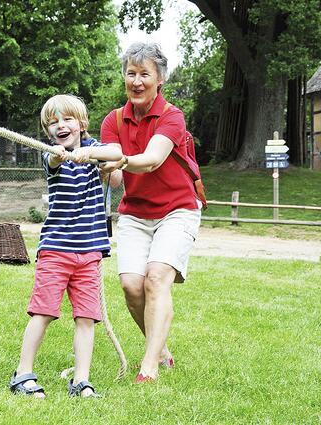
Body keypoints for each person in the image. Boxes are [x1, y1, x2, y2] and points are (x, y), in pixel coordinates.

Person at [100, 42, 202, 383]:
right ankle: (160, 349)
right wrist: (98, 163)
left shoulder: (172, 116)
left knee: (156, 278)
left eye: (145, 74)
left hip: (178, 209)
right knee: (132, 286)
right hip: (135, 213)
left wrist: (124, 160)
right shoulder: (113, 120)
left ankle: (149, 368)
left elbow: (154, 158)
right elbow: (115, 175)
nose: (137, 81)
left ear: (160, 80)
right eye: (131, 73)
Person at [9, 94, 122, 398]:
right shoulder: (52, 155)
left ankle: (81, 381)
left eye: (67, 119)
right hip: (56, 250)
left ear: (82, 123)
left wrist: (92, 156)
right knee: (43, 312)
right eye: (52, 122)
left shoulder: (95, 150)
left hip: (90, 253)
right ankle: (22, 374)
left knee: (86, 318)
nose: (60, 126)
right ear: (47, 131)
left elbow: (117, 154)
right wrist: (64, 155)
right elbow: (54, 160)